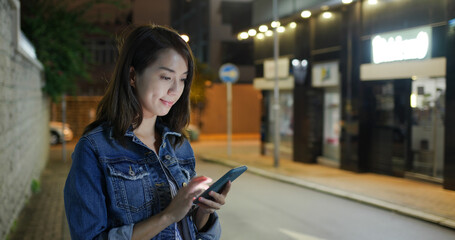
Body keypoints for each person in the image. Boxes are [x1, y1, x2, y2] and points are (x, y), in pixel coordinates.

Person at [64, 24, 230, 240]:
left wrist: (204, 212)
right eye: (165, 77)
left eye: (182, 79)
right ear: (132, 75)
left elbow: (188, 229)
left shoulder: (178, 145)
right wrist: (167, 216)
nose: (175, 90)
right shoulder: (96, 148)